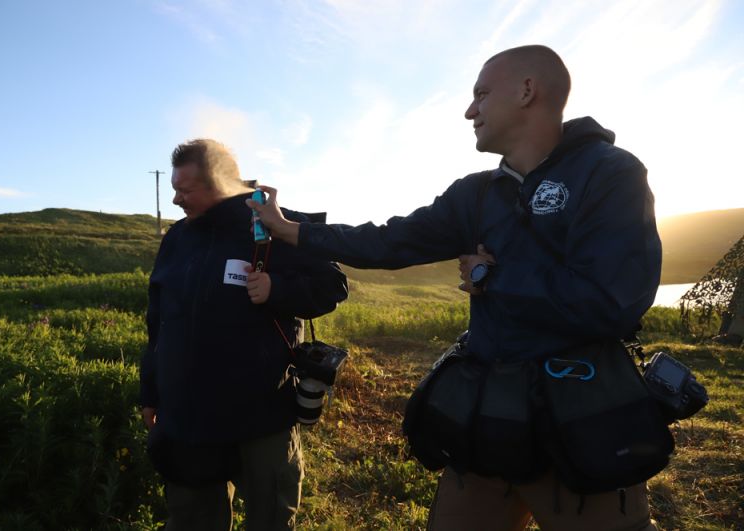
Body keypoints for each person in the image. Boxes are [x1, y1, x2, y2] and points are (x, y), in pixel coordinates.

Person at [248, 45, 662, 530]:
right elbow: (388, 241)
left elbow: (615, 299)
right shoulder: (477, 193)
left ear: (527, 90)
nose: (470, 110)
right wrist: (291, 229)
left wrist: (495, 277)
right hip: (489, 422)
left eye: (481, 94)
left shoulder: (610, 172)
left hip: (581, 420)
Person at [139, 139, 348, 531]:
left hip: (261, 414)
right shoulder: (177, 239)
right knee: (191, 519)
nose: (176, 200)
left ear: (219, 182)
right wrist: (150, 391)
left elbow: (332, 286)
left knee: (269, 518)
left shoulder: (274, 223)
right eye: (174, 189)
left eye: (185, 190)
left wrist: (277, 289)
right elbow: (158, 321)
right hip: (188, 415)